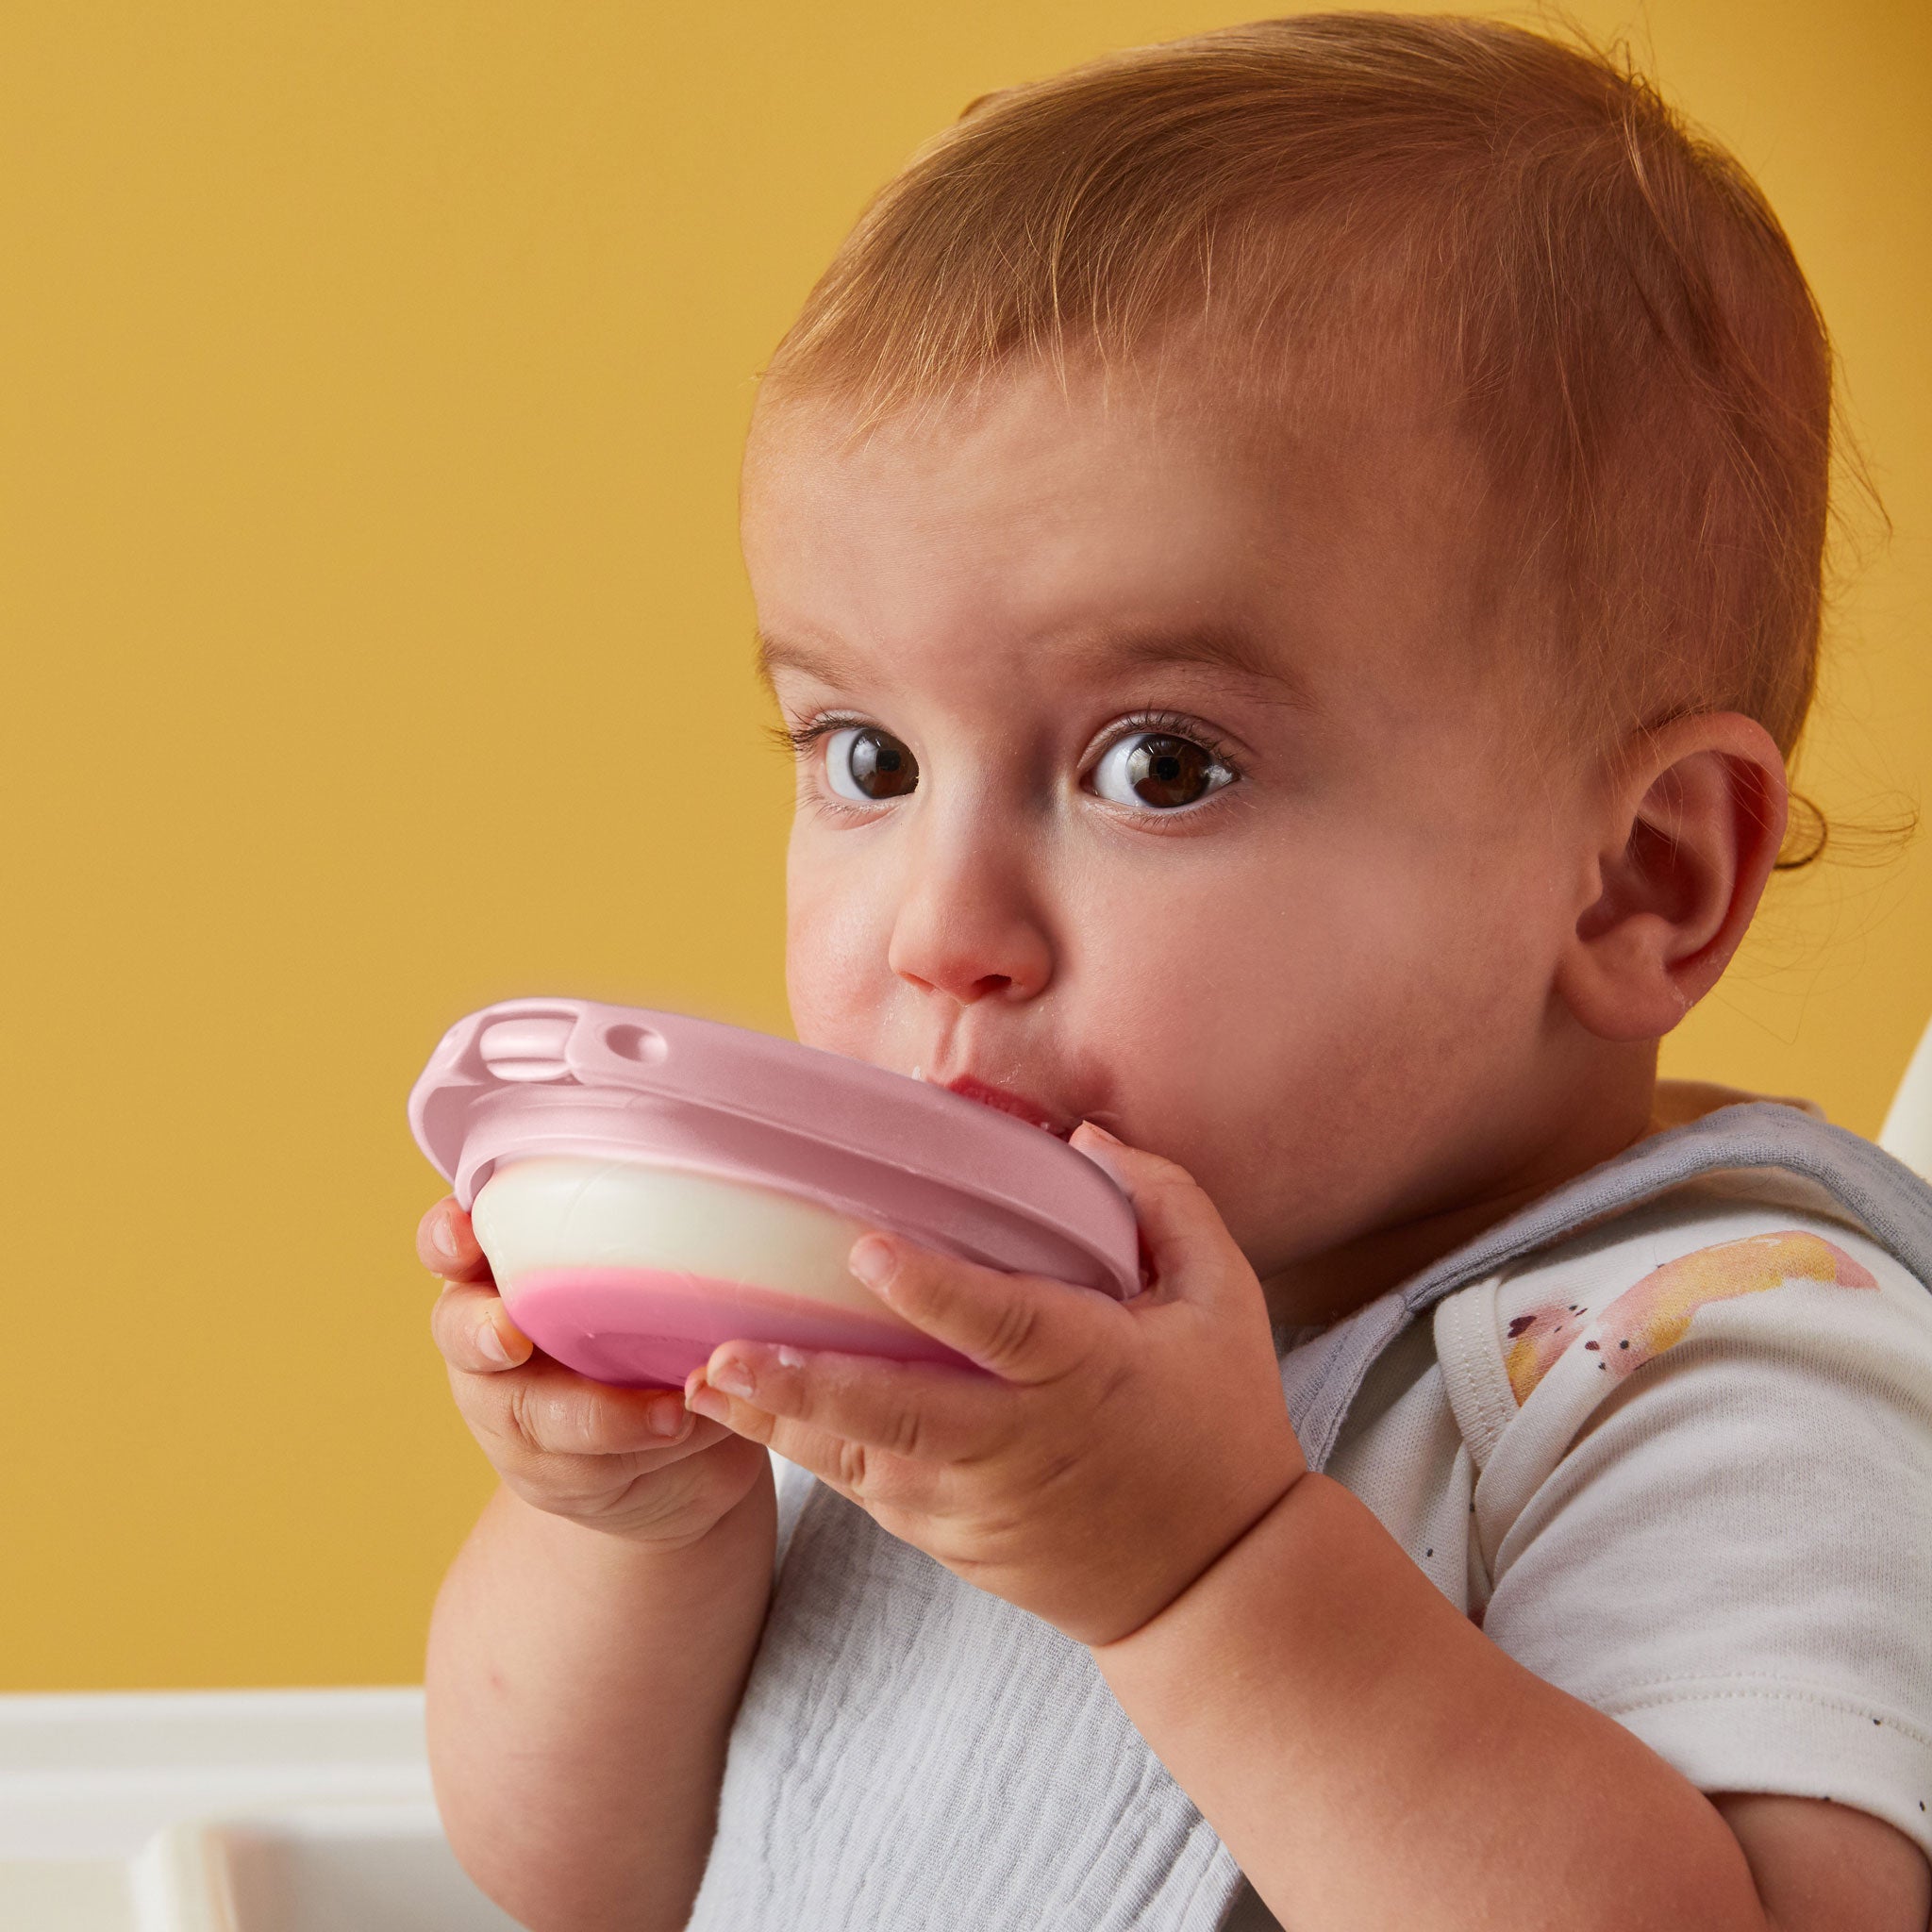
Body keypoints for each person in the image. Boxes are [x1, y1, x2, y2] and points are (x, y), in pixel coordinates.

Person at [413, 16, 1932, 1929]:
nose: (937, 928)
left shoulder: (1702, 1364)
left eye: (1158, 766)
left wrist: (1208, 1572)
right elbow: (593, 1875)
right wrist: (629, 1523)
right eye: (865, 759)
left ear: (1636, 875)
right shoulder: (923, 1313)